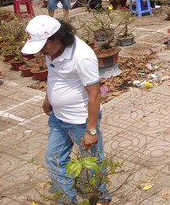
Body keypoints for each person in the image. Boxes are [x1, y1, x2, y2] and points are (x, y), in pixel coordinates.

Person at [21, 16, 110, 204]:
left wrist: (91, 130)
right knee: (53, 159)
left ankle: (102, 196)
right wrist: (49, 98)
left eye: (43, 46)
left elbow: (94, 94)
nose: (41, 51)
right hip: (58, 118)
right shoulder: (50, 50)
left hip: (81, 121)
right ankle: (67, 201)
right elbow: (53, 74)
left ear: (57, 38)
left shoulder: (82, 56)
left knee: (93, 162)